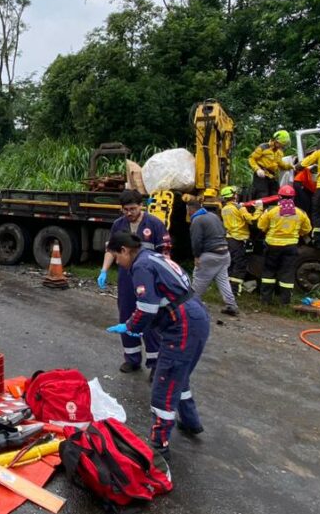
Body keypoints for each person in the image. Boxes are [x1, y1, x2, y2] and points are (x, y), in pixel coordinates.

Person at [104, 232, 209, 461]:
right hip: (195, 316)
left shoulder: (141, 266)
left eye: (115, 257)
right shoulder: (152, 256)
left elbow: (147, 307)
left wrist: (130, 326)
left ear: (123, 250)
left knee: (164, 382)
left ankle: (159, 445)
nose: (117, 264)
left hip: (182, 324)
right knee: (179, 375)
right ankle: (191, 422)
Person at [98, 189, 171, 375]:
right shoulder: (118, 225)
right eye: (125, 210)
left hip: (149, 279)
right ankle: (132, 358)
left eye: (133, 208)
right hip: (126, 279)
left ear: (141, 206)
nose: (129, 213)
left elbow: (165, 255)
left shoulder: (154, 225)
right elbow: (111, 251)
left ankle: (155, 364)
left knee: (149, 319)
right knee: (126, 317)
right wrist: (104, 270)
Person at [256, 185, 312, 305]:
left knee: (268, 273)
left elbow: (261, 226)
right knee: (287, 273)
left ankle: (265, 300)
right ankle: (285, 302)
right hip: (290, 246)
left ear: (279, 196)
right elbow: (307, 229)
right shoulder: (301, 212)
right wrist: (297, 233)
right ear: (293, 197)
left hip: (272, 245)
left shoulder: (271, 211)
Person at [190, 189, 237, 316]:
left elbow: (196, 240)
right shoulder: (213, 216)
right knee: (223, 280)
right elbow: (223, 231)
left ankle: (190, 304)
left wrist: (196, 256)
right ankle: (231, 305)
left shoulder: (197, 220)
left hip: (210, 255)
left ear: (190, 209)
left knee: (199, 280)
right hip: (224, 254)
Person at [220, 186, 259, 296]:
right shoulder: (239, 208)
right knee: (239, 266)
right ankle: (234, 291)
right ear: (233, 195)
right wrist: (259, 209)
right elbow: (252, 220)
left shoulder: (224, 209)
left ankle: (226, 290)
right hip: (240, 240)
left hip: (229, 239)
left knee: (230, 265)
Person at [248, 130, 292, 199]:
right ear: (276, 141)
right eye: (282, 144)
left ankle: (273, 209)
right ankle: (260, 209)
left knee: (276, 195)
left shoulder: (279, 152)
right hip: (261, 174)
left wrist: (291, 167)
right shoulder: (263, 147)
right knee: (262, 194)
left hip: (272, 176)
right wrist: (257, 169)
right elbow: (251, 159)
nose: (282, 146)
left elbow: (280, 163)